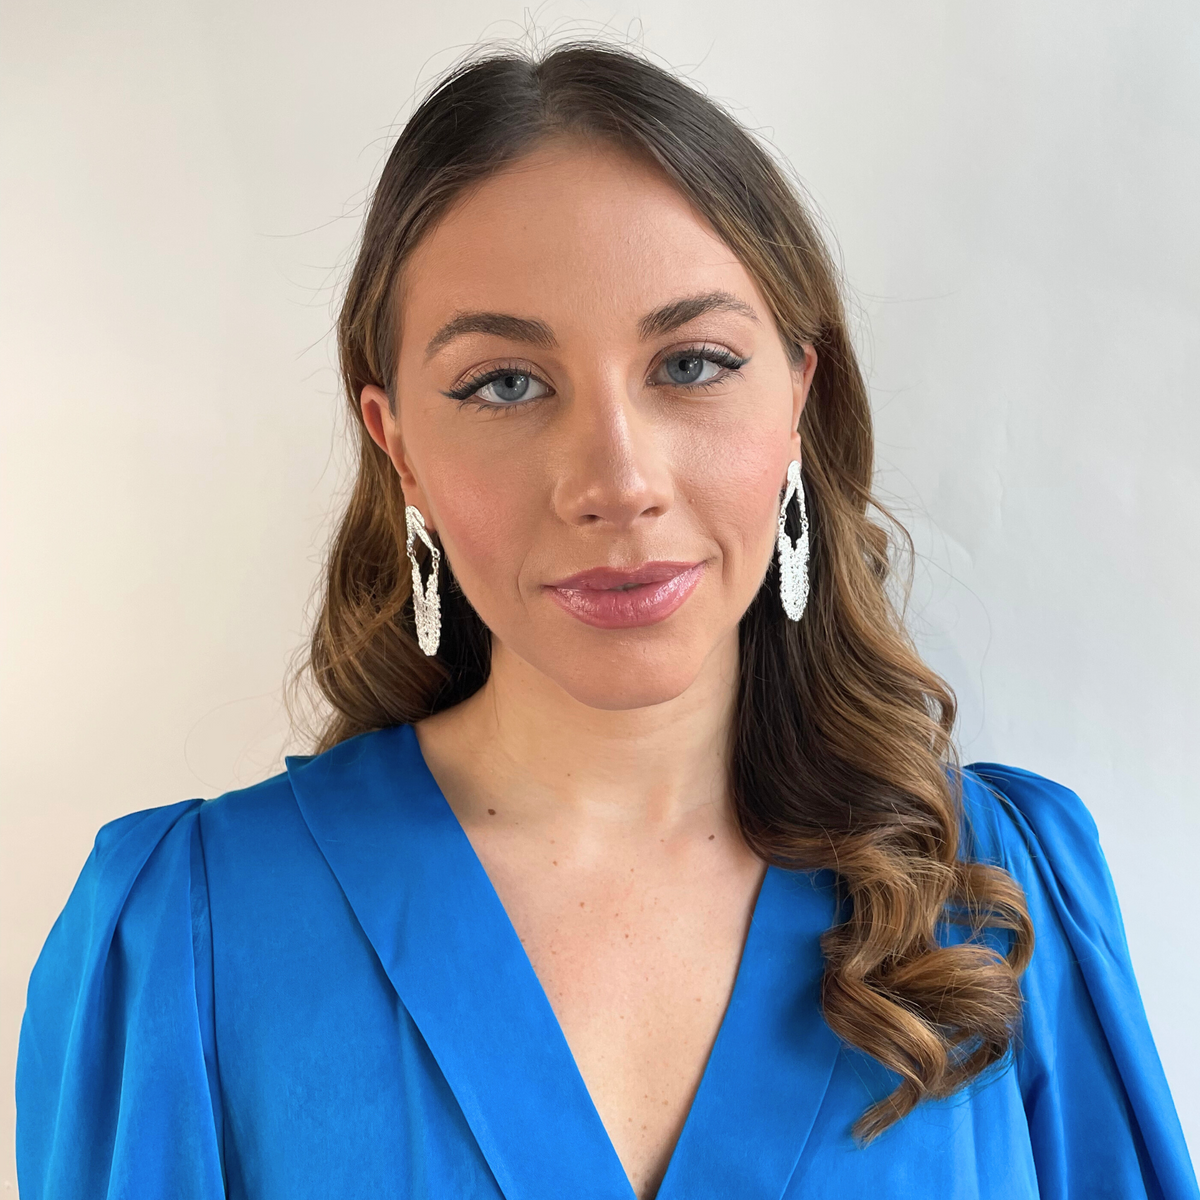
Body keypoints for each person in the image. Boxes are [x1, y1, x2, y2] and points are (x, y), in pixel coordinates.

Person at [15, 39, 1198, 1200]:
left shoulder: (1002, 896)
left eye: (690, 364)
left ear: (799, 397)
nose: (616, 481)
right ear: (399, 448)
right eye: (506, 384)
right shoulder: (185, 934)